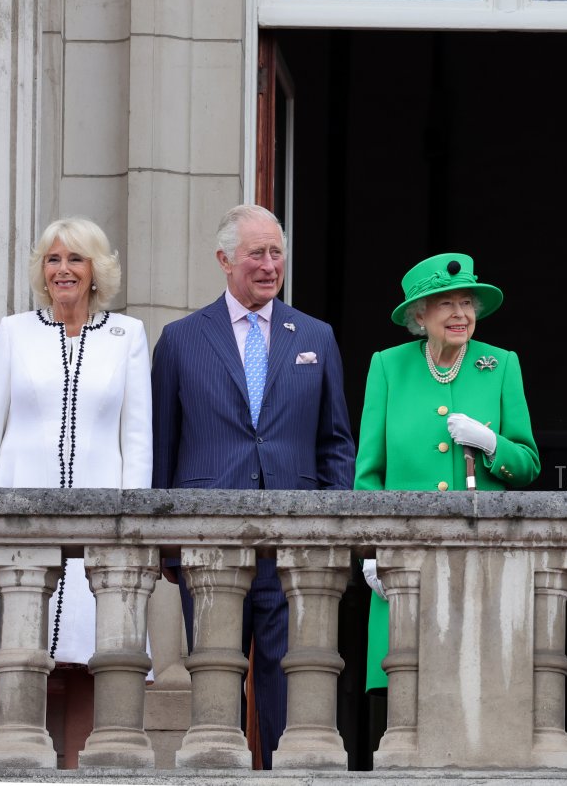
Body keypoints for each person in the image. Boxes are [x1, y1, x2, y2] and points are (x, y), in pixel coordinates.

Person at [151, 204, 355, 769]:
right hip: (210, 546)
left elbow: (335, 441)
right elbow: (162, 450)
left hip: (294, 549)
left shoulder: (316, 336)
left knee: (290, 695)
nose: (269, 265)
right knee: (216, 691)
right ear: (224, 260)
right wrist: (165, 545)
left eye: (276, 253)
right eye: (256, 254)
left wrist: (335, 530)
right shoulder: (180, 340)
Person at [0, 217, 152, 768]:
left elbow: (136, 439)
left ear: (96, 271)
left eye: (75, 259)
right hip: (19, 524)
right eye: (53, 259)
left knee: (93, 660)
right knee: (18, 657)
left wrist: (133, 529)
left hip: (99, 528)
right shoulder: (15, 331)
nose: (63, 270)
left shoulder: (127, 336)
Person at [355, 252, 540, 732]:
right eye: (446, 304)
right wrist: (372, 548)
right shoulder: (388, 367)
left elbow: (528, 464)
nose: (461, 314)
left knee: (477, 697)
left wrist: (492, 443)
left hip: (480, 559)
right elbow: (369, 472)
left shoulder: (500, 365)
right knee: (403, 699)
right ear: (420, 316)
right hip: (406, 562)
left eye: (467, 303)